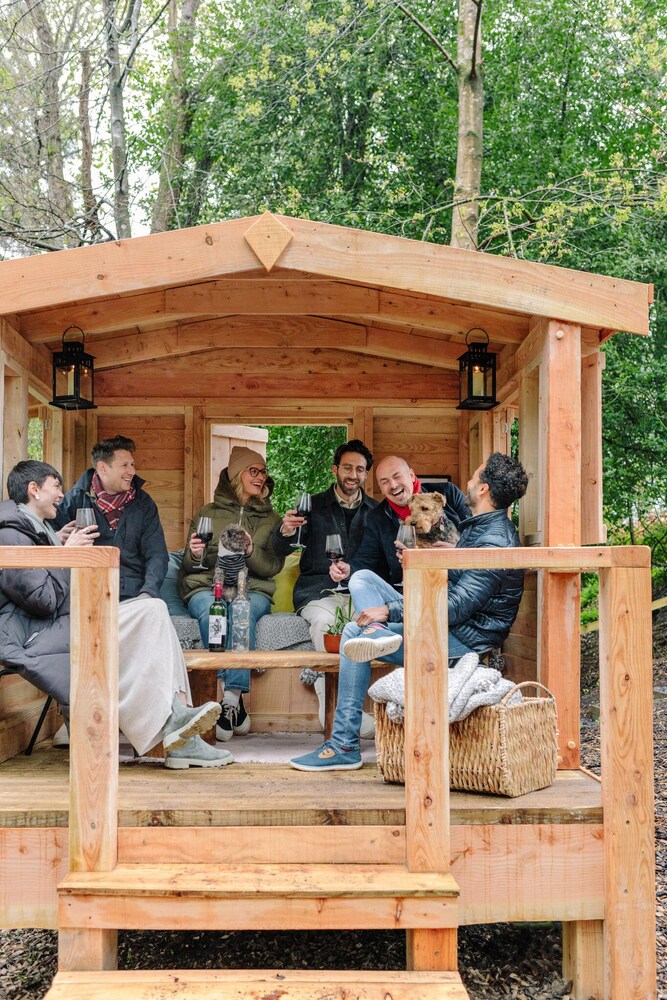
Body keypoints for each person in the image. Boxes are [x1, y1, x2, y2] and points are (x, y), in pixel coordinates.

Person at [290, 452, 529, 771]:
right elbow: (461, 585)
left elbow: (455, 607)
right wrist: (450, 555)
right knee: (361, 587)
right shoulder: (482, 528)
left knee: (353, 632)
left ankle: (344, 745)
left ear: (484, 489)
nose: (469, 482)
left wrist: (388, 611)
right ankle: (346, 735)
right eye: (383, 481)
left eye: (474, 477)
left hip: (464, 640)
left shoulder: (493, 541)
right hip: (450, 624)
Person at [0, 461, 233, 770]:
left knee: (154, 609)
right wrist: (67, 555)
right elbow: (42, 601)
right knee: (150, 615)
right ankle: (180, 734)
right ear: (34, 490)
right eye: (55, 486)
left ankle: (179, 718)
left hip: (61, 623)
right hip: (33, 636)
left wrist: (57, 543)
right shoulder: (11, 536)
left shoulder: (35, 529)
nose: (61, 494)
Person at [178, 446, 284, 741]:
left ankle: (230, 700)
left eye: (263, 472)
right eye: (254, 471)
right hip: (207, 586)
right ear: (237, 474)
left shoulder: (272, 519)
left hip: (251, 587)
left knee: (241, 610)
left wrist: (249, 550)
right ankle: (234, 704)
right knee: (211, 611)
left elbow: (273, 566)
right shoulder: (207, 513)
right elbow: (189, 564)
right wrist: (195, 553)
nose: (261, 477)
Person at [271, 440, 378, 649]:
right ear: (335, 469)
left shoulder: (376, 512)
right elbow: (281, 549)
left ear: (366, 475)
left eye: (359, 469)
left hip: (361, 595)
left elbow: (380, 562)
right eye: (347, 468)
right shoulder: (312, 506)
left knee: (371, 626)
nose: (353, 475)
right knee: (326, 622)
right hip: (318, 593)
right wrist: (286, 530)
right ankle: (327, 672)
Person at [328, 454, 470, 594]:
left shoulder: (448, 492)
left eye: (397, 476)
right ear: (381, 488)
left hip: (461, 584)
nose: (393, 485)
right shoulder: (376, 517)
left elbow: (478, 531)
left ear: (411, 475)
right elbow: (366, 559)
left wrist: (456, 552)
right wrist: (348, 570)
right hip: (409, 589)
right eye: (385, 482)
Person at [52, 435, 168, 602]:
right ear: (103, 468)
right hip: (85, 591)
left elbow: (157, 554)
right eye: (124, 465)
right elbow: (48, 539)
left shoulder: (144, 503)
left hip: (133, 594)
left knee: (156, 608)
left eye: (132, 465)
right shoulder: (74, 499)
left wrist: (148, 592)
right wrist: (57, 538)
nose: (132, 471)